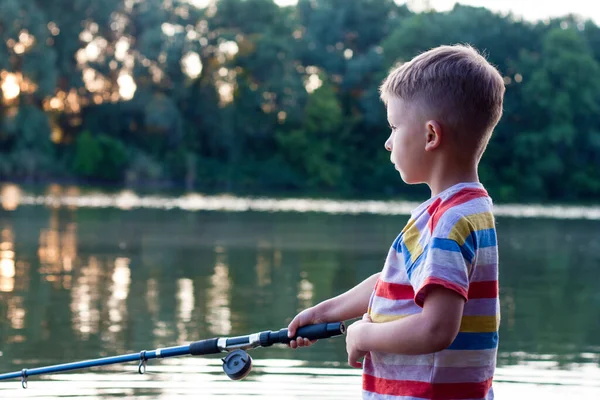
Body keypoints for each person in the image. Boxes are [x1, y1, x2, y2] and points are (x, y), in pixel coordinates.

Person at [287, 44, 505, 399]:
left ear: (431, 136)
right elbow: (397, 283)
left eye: (394, 127)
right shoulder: (468, 209)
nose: (388, 143)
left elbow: (436, 328)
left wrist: (362, 335)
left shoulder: (447, 221)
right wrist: (325, 311)